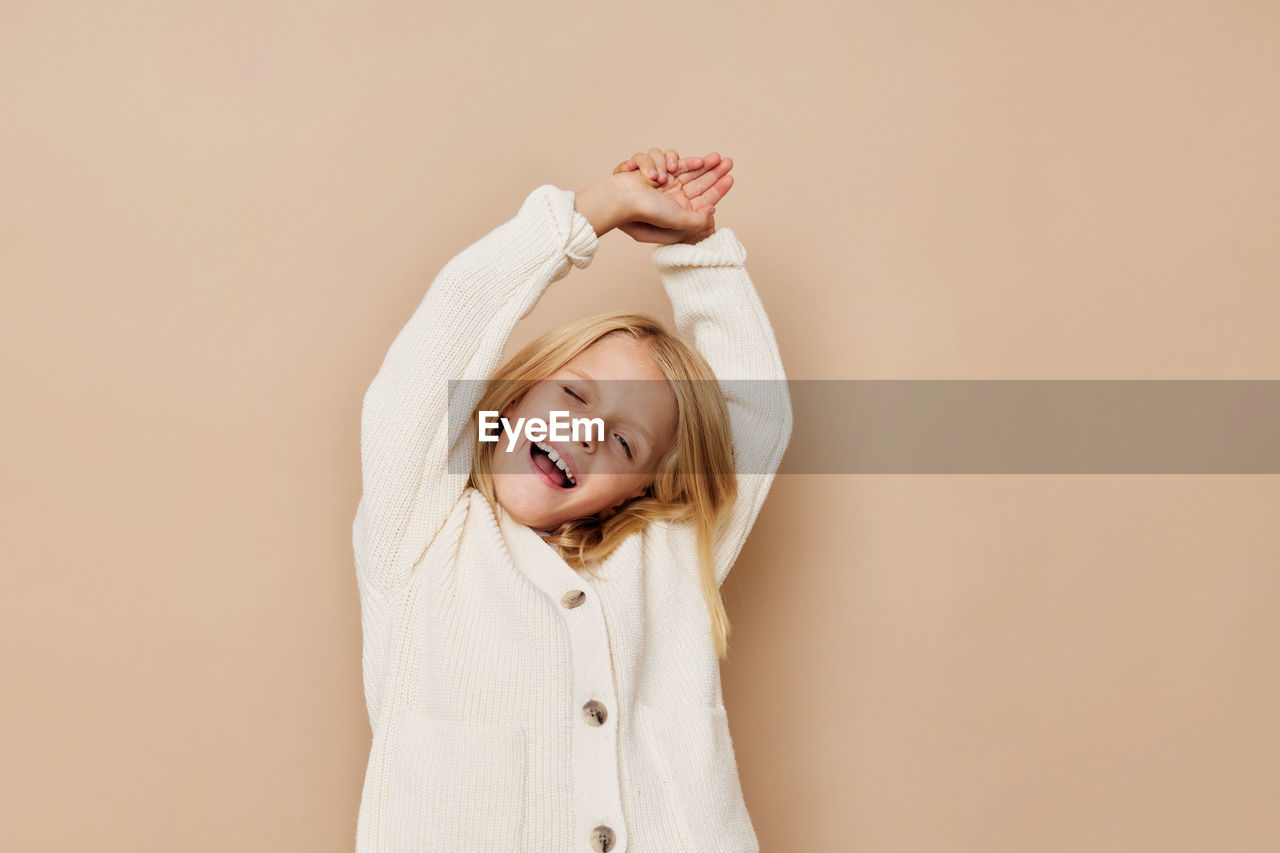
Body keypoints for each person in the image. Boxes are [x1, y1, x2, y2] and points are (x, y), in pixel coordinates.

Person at [352, 147, 792, 852]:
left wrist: (698, 253)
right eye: (574, 396)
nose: (585, 433)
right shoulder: (425, 536)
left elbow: (756, 420)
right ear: (519, 390)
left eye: (624, 445)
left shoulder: (665, 557)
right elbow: (435, 346)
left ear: (643, 487)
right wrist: (595, 211)